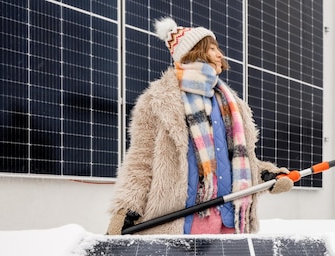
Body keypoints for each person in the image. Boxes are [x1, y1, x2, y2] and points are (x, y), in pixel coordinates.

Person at [107, 17, 293, 235]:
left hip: (231, 223)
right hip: (182, 224)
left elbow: (237, 160)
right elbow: (141, 161)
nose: (219, 54)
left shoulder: (232, 104)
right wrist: (125, 209)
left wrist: (269, 175)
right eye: (211, 48)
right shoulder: (159, 101)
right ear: (194, 52)